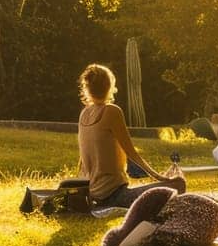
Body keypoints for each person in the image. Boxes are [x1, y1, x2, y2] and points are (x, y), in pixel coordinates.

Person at [77, 64, 187, 209]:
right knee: (178, 184)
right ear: (110, 85)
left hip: (92, 195)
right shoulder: (112, 111)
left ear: (87, 88)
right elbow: (132, 153)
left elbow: (82, 161)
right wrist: (160, 178)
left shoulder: (84, 114)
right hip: (113, 195)